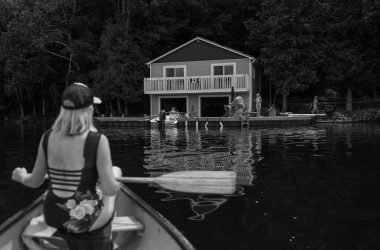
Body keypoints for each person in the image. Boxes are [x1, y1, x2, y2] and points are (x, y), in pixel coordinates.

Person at [12, 82, 122, 250]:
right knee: (112, 185)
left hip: (52, 214)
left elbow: (34, 181)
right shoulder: (97, 141)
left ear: (63, 110)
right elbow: (110, 188)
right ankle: (106, 242)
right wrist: (117, 180)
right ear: (89, 110)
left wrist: (21, 177)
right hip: (82, 219)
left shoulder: (47, 137)